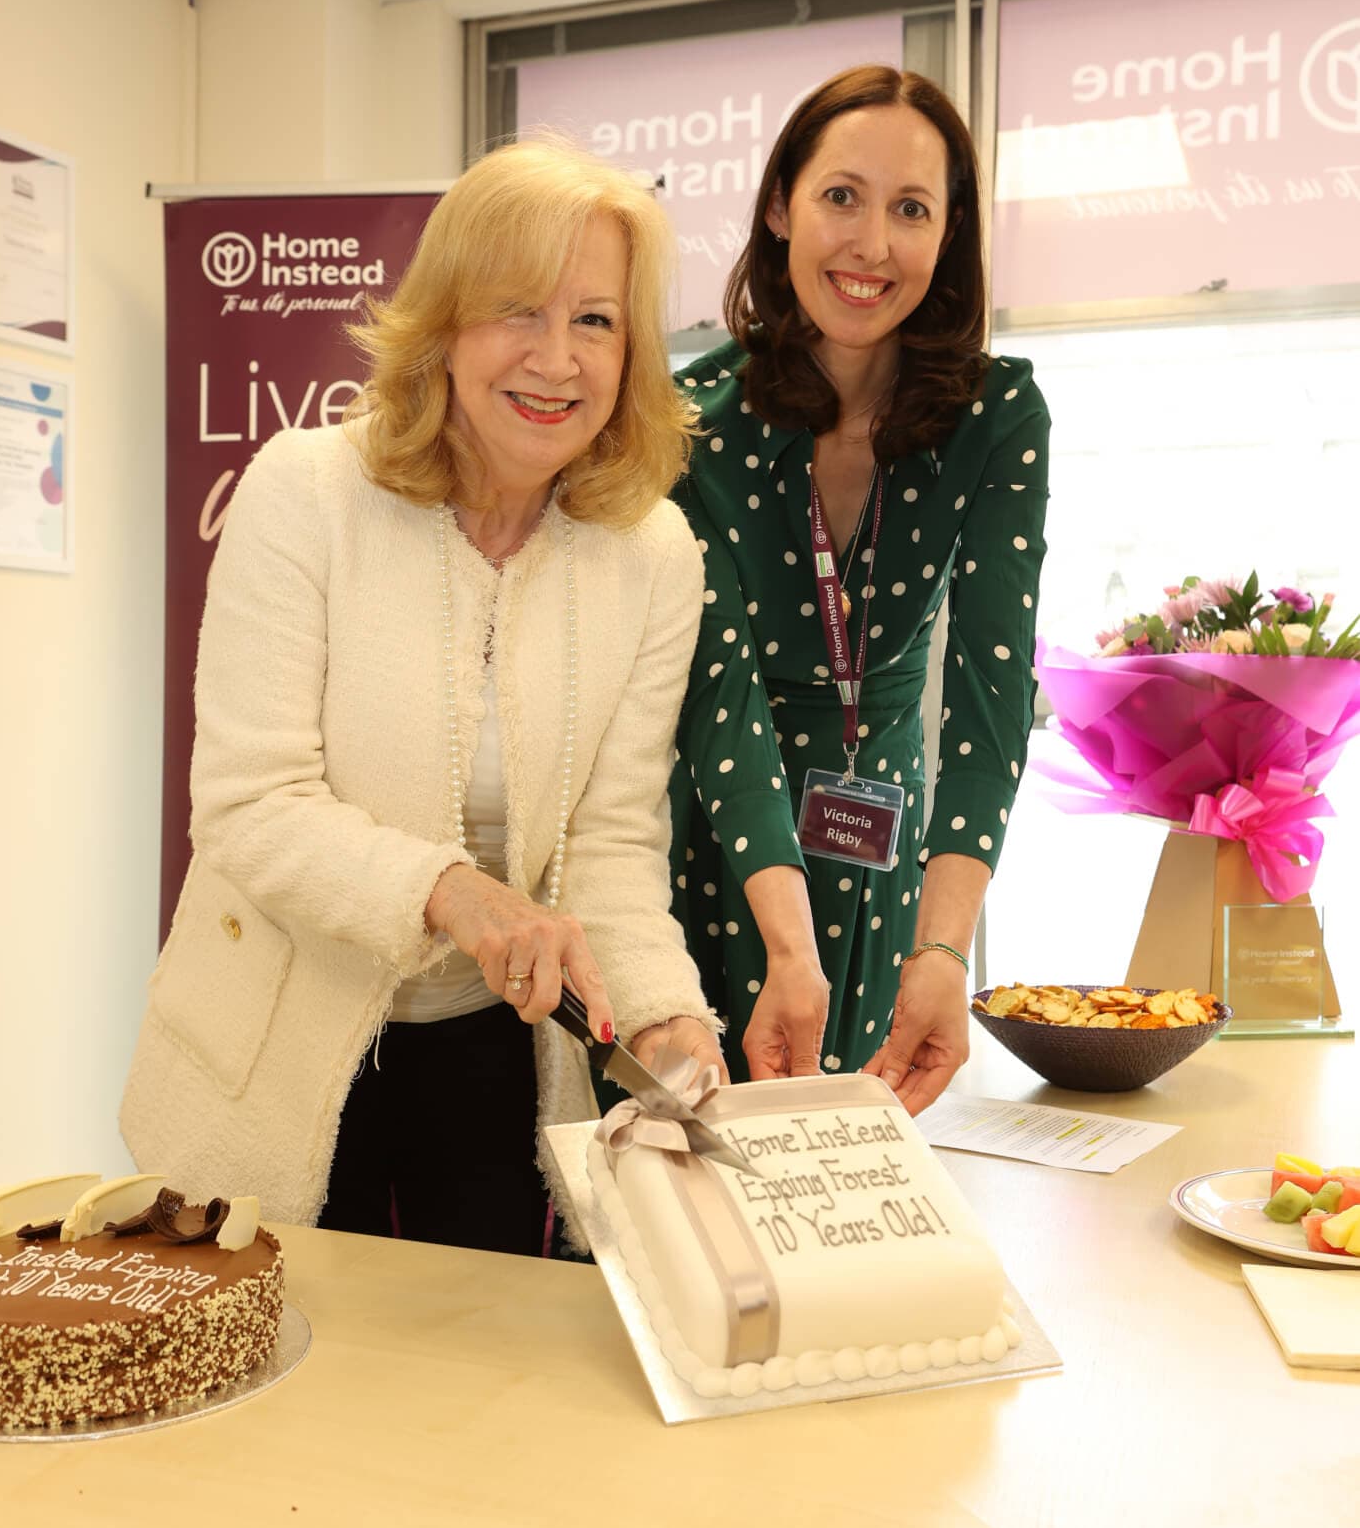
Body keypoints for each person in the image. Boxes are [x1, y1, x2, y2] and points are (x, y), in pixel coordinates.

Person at [121, 139, 723, 1255]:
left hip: (493, 1052)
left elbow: (612, 844)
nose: (557, 359)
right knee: (273, 1383)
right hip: (273, 1041)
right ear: (444, 323)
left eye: (595, 319)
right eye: (517, 312)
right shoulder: (305, 491)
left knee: (472, 1385)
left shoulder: (654, 554)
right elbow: (250, 804)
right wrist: (453, 891)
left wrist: (664, 1013)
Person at [670, 65, 1049, 1110]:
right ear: (782, 202)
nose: (872, 244)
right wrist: (788, 948)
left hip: (883, 845)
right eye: (842, 195)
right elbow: (721, 690)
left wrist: (943, 944)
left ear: (949, 233)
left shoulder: (999, 415)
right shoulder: (689, 420)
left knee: (851, 1180)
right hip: (720, 833)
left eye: (911, 208)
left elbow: (989, 695)